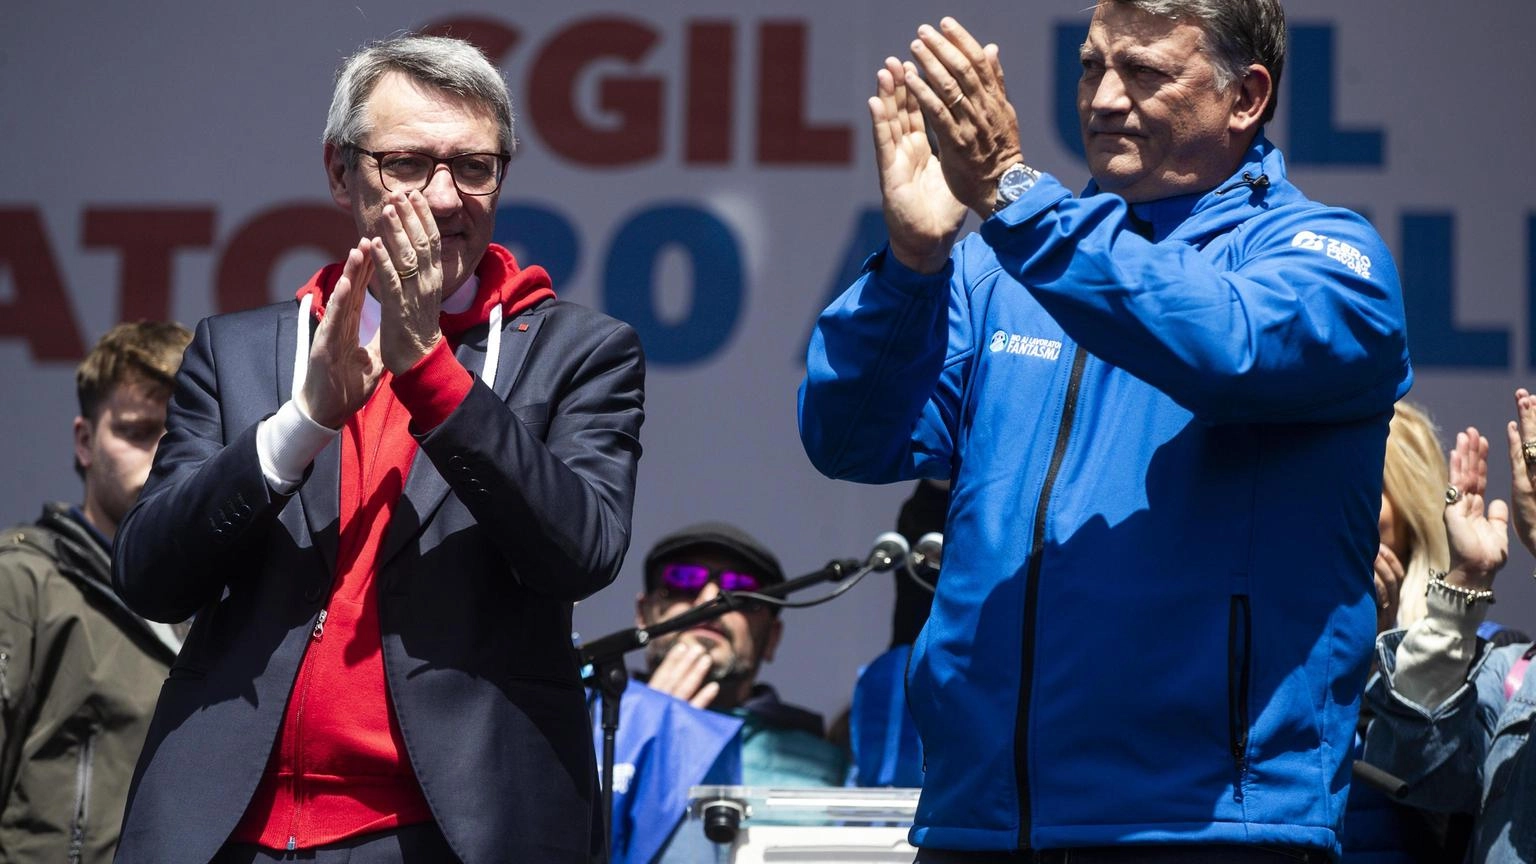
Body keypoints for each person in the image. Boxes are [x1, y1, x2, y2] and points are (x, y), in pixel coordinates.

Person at [798, 2, 1411, 860]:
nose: (1105, 98)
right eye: (1092, 67)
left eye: (1146, 72)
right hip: (977, 821)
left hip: (1203, 826)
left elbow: (1222, 347)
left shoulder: (1327, 259)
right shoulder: (1000, 266)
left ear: (1246, 97)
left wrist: (1015, 198)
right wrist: (911, 264)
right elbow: (850, 438)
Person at [110, 34, 645, 864]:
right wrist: (303, 422)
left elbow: (582, 551)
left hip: (453, 829)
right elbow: (150, 575)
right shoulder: (244, 351)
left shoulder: (577, 351)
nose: (442, 198)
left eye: (474, 166)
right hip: (226, 827)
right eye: (407, 164)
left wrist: (431, 371)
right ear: (339, 172)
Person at [0, 321, 189, 864]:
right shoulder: (23, 584)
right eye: (137, 431)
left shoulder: (226, 605)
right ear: (85, 442)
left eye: (176, 434)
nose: (159, 456)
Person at [593, 523, 848, 864]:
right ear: (643, 616)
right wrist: (641, 725)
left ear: (771, 638)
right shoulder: (583, 722)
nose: (712, 599)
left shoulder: (826, 761)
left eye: (742, 591)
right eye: (682, 580)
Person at [1362, 390, 1536, 864]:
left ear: (1410, 510)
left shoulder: (1495, 660)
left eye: (1359, 487)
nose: (1338, 511)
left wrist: (1375, 654)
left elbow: (1418, 783)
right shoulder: (1258, 643)